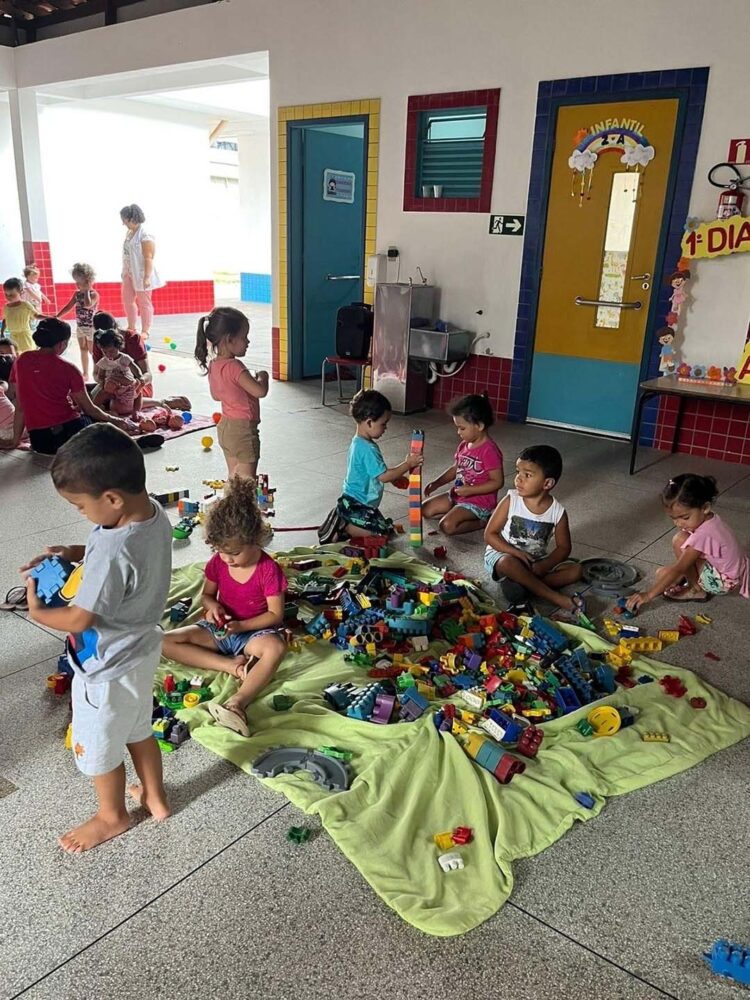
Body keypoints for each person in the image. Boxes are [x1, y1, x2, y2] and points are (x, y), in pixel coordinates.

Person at [21, 424, 172, 853]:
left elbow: (80, 618)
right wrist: (73, 552)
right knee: (138, 728)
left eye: (80, 506)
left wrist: (38, 612)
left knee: (100, 743)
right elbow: (114, 552)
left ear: (112, 498)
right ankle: (155, 798)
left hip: (105, 666)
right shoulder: (152, 513)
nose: (82, 514)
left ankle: (111, 815)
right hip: (141, 652)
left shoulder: (112, 549)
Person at [162, 477, 287, 738]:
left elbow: (275, 615)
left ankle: (238, 702)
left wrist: (241, 626)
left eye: (235, 553)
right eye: (221, 552)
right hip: (220, 629)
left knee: (275, 648)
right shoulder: (218, 563)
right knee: (162, 641)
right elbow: (207, 596)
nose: (228, 559)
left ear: (256, 540)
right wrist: (213, 607)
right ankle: (231, 666)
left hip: (254, 632)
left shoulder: (268, 570)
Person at [2, 318, 130, 455]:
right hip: (70, 434)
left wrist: (15, 440)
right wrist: (116, 420)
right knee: (100, 423)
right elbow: (89, 409)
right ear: (62, 344)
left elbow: (21, 406)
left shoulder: (21, 361)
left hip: (40, 441)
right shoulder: (69, 368)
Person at [484, 445, 583, 613]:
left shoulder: (558, 512)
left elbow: (564, 548)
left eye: (527, 475)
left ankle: (525, 585)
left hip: (535, 561)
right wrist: (516, 553)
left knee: (576, 570)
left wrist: (545, 564)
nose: (518, 479)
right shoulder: (511, 500)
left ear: (547, 483)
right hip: (503, 554)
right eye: (518, 472)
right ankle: (554, 597)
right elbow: (489, 535)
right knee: (507, 563)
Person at [626, 474, 749, 610]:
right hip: (731, 571)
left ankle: (695, 589)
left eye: (684, 517)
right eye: (673, 518)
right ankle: (686, 579)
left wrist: (648, 595)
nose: (678, 523)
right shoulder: (709, 518)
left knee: (676, 549)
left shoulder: (704, 534)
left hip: (723, 582)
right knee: (672, 558)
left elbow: (679, 567)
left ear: (705, 507)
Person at [318, 389, 424, 543]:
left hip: (361, 504)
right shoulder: (367, 449)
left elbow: (374, 472)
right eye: (383, 424)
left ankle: (347, 523)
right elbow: (383, 476)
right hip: (357, 504)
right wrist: (408, 464)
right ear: (369, 422)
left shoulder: (359, 442)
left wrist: (395, 478)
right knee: (380, 535)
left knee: (385, 529)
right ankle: (344, 525)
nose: (385, 428)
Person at [195, 306, 268, 480]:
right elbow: (260, 391)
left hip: (226, 427)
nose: (248, 342)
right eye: (244, 337)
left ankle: (230, 498)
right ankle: (242, 499)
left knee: (233, 477)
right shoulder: (235, 366)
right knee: (246, 481)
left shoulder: (214, 364)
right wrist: (263, 376)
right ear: (229, 339)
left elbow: (216, 395)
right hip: (243, 429)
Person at [423, 393, 504, 536]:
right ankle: (458, 511)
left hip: (479, 502)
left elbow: (497, 482)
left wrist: (470, 490)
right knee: (424, 509)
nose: (458, 432)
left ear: (479, 425)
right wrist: (437, 483)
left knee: (447, 526)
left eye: (462, 428)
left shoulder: (489, 451)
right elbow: (455, 468)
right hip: (458, 495)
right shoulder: (464, 445)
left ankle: (484, 521)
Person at [120, 204, 164, 339]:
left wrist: (147, 277)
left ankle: (145, 330)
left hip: (141, 274)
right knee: (127, 300)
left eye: (124, 220)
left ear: (131, 218)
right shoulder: (129, 233)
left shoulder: (145, 234)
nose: (123, 223)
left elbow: (148, 257)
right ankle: (131, 326)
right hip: (128, 272)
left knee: (144, 302)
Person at [56, 263, 100, 381]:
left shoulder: (94, 294)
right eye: (76, 282)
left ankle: (96, 371)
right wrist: (57, 316)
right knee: (83, 349)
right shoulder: (76, 294)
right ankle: (85, 373)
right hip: (80, 326)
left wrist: (87, 291)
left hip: (91, 327)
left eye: (79, 282)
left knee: (92, 350)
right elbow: (68, 306)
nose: (77, 285)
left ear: (88, 281)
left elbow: (87, 305)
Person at [93, 329, 143, 418]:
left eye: (111, 351)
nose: (108, 354)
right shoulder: (104, 361)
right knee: (102, 393)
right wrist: (102, 383)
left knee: (139, 393)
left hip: (127, 384)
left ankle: (136, 411)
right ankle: (93, 408)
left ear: (118, 347)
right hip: (112, 387)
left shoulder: (124, 358)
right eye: (105, 352)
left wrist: (140, 377)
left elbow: (135, 368)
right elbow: (100, 375)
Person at [2, 277, 40, 354]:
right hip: (13, 337)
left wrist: (51, 317)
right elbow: (5, 320)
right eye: (6, 294)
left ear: (21, 292)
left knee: (28, 354)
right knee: (16, 355)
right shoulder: (6, 307)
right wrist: (2, 331)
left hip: (25, 337)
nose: (8, 297)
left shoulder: (25, 305)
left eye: (11, 294)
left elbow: (36, 315)